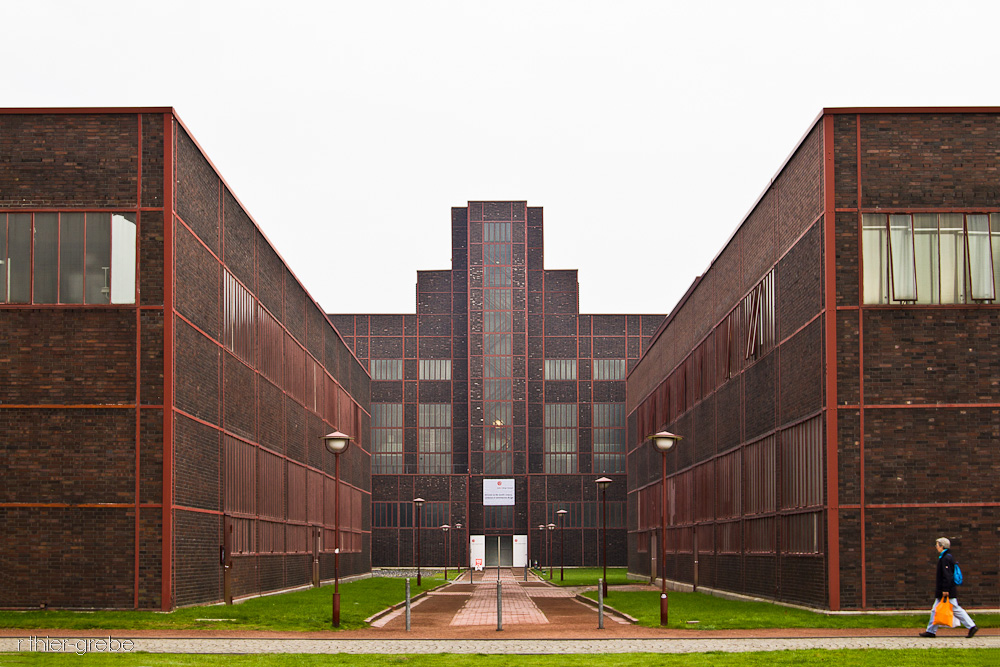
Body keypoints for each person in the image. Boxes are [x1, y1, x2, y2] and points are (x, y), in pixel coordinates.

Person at [919, 537, 978, 638]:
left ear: (942, 546)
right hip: (946, 589)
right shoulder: (946, 557)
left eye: (937, 545)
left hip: (946, 590)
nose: (936, 547)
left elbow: (947, 575)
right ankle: (931, 631)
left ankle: (971, 626)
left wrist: (945, 589)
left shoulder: (945, 558)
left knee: (953, 609)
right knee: (938, 609)